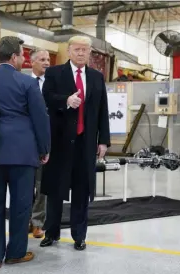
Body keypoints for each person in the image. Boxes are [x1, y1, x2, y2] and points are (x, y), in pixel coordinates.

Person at [0, 37, 50, 268]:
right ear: (14, 57)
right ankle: (15, 252)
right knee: (21, 204)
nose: (23, 60)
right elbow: (40, 119)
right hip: (21, 155)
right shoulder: (28, 84)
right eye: (22, 55)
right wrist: (44, 149)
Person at [40, 35, 110, 251]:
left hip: (85, 142)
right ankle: (51, 232)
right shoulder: (54, 73)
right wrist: (66, 101)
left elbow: (102, 111)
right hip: (60, 141)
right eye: (77, 49)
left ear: (90, 53)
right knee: (56, 190)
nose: (81, 53)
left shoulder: (97, 78)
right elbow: (46, 97)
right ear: (69, 51)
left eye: (85, 50)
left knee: (82, 189)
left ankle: (79, 235)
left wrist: (104, 141)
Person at [29, 48, 50, 239]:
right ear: (32, 62)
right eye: (42, 59)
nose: (46, 62)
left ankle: (38, 222)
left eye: (48, 59)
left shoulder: (52, 84)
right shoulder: (23, 82)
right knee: (25, 184)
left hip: (45, 142)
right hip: (25, 142)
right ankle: (25, 220)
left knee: (42, 185)